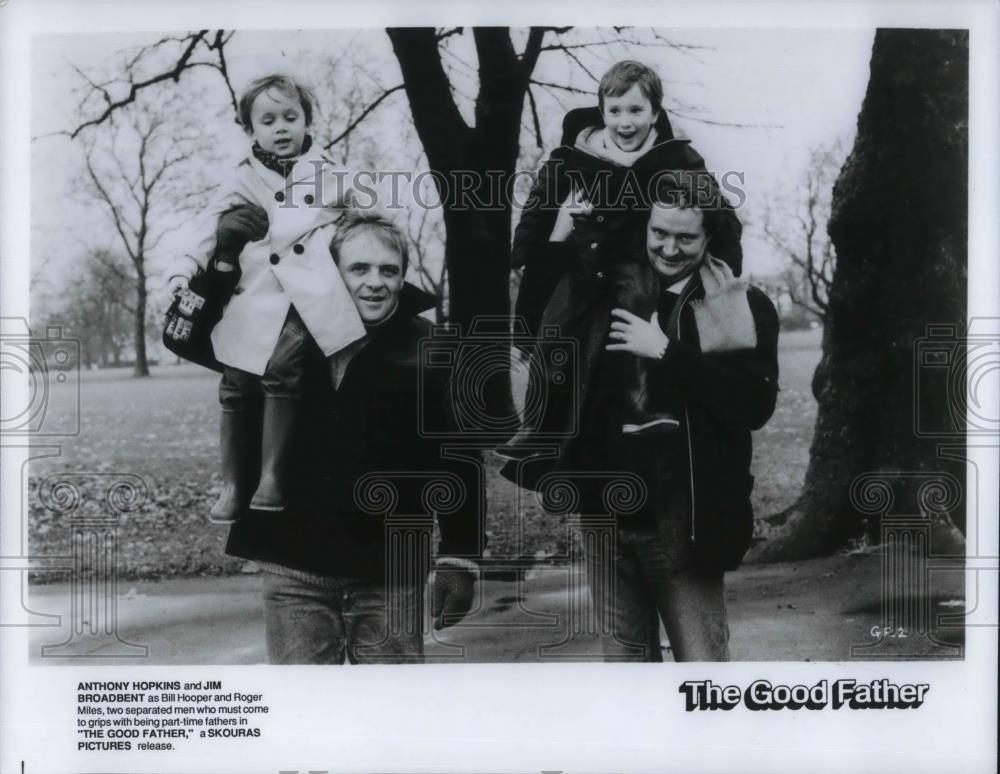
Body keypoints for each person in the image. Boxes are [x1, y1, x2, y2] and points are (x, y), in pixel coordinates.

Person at [510, 171, 779, 661]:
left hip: (682, 518)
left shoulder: (743, 306)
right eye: (660, 233)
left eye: (685, 237)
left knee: (702, 667)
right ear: (644, 227)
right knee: (625, 673)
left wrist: (666, 352)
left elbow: (753, 405)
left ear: (710, 236)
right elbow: (543, 289)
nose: (670, 248)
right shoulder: (606, 294)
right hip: (603, 514)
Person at [224, 211, 483, 665]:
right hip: (294, 562)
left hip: (390, 569)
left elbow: (460, 459)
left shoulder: (432, 349)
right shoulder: (283, 337)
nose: (375, 282)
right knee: (305, 718)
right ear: (332, 273)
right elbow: (234, 396)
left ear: (403, 277)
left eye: (389, 270)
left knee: (389, 719)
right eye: (359, 268)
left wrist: (460, 557)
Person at [496, 60, 743, 459]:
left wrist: (728, 256)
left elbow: (717, 208)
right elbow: (537, 210)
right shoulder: (572, 157)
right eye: (615, 111)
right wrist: (531, 246)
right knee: (555, 325)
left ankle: (643, 405)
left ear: (655, 114)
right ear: (602, 111)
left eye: (636, 110)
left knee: (638, 307)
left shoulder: (677, 159)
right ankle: (537, 423)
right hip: (583, 262)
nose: (625, 122)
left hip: (636, 260)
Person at [164, 74, 366, 520]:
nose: (281, 128)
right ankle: (233, 484)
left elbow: (367, 224)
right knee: (236, 381)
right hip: (255, 291)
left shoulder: (334, 174)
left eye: (290, 117)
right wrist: (182, 268)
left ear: (307, 123)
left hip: (309, 293)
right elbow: (205, 225)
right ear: (250, 129)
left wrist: (366, 264)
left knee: (282, 368)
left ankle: (272, 476)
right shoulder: (240, 178)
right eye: (268, 120)